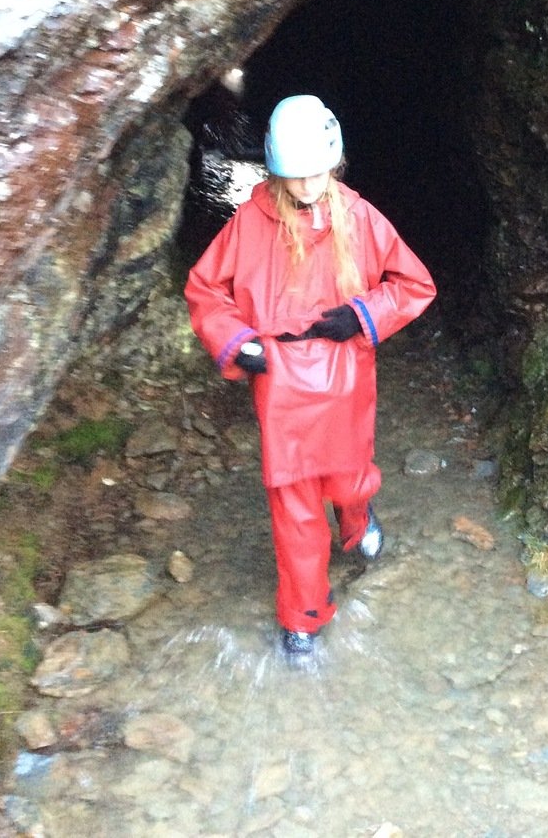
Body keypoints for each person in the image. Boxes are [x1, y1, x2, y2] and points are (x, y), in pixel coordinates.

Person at [185, 94, 437, 661]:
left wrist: (364, 315)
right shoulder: (250, 222)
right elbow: (206, 291)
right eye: (294, 175)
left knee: (347, 477)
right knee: (295, 506)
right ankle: (302, 616)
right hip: (281, 382)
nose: (305, 185)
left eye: (317, 172)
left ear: (335, 162)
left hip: (345, 371)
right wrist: (236, 341)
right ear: (276, 169)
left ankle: (356, 515)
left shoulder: (359, 216)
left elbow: (414, 285)